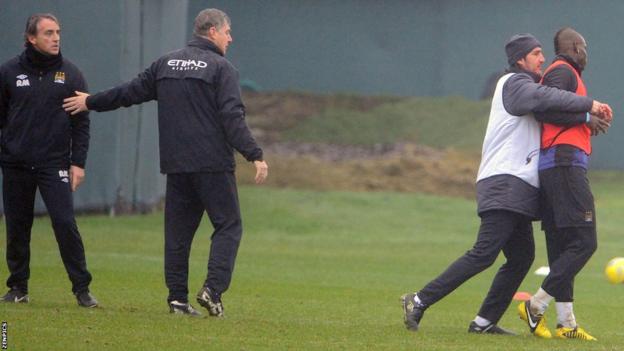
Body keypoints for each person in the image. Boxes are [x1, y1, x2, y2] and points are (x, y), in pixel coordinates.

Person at [400, 34, 612, 334]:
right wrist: (589, 104)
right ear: (520, 60)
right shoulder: (513, 83)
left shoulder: (527, 87)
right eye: (537, 54)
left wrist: (584, 117)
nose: (542, 59)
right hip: (504, 181)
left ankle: (484, 322)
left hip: (519, 185)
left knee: (522, 257)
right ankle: (418, 300)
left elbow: (547, 109)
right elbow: (542, 100)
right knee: (484, 252)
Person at [63, 8, 268, 317]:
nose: (230, 38)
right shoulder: (221, 68)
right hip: (212, 164)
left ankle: (177, 299)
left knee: (178, 234)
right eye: (227, 32)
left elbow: (128, 93)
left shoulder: (166, 63)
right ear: (212, 31)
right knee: (228, 225)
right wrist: (254, 153)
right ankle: (212, 290)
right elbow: (231, 116)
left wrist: (90, 101)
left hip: (176, 165)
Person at [517, 27, 610, 341]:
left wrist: (586, 118)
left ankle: (567, 323)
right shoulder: (563, 71)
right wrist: (585, 116)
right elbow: (546, 108)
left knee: (562, 248)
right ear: (574, 46)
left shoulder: (565, 74)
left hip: (555, 166)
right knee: (585, 243)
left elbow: (556, 108)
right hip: (564, 163)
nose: (586, 52)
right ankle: (536, 304)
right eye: (584, 46)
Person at [0, 13, 98, 307]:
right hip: (16, 164)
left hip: (54, 165)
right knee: (17, 226)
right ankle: (18, 287)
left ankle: (82, 289)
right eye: (48, 33)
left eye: (58, 32)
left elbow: (81, 124)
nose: (56, 38)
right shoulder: (8, 73)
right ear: (31, 38)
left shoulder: (70, 74)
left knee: (65, 223)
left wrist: (77, 162)